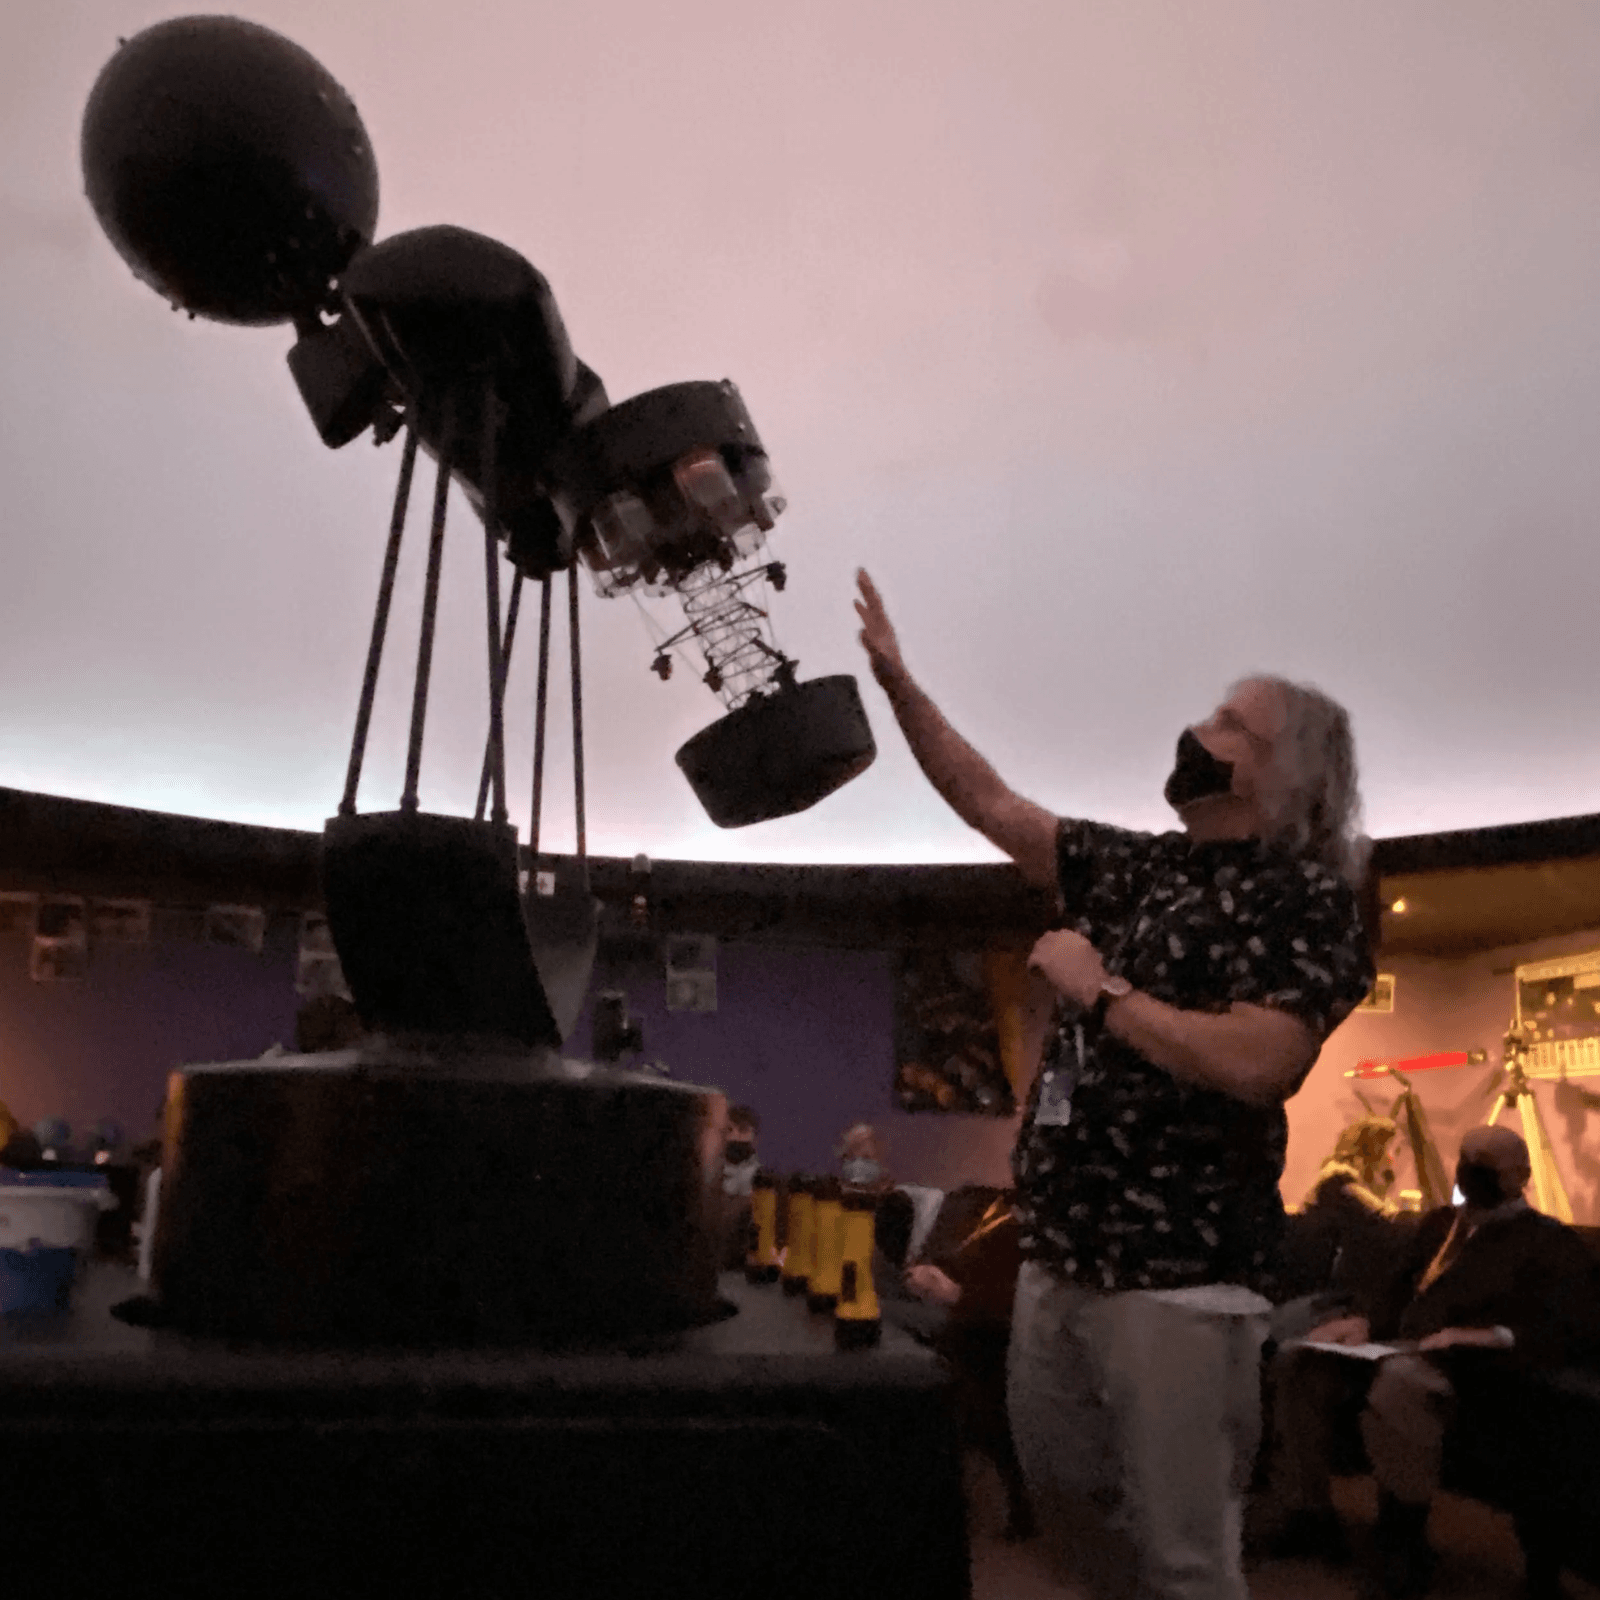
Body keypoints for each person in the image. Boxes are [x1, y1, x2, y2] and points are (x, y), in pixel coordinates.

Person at [854, 569, 1375, 1600]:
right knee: (1073, 1533)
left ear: (1283, 776)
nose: (1197, 727)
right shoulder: (1145, 867)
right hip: (1061, 1259)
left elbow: (1260, 1061)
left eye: (1229, 721)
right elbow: (990, 802)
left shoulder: (1307, 899)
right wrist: (897, 682)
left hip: (1178, 1283)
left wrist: (1100, 995)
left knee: (1185, 1561)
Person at [1259, 1124, 1600, 1599]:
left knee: (1400, 1382)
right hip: (1402, 1343)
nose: (1469, 1171)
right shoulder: (1440, 1224)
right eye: (1467, 1158)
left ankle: (1403, 1535)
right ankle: (1311, 1513)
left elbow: (1566, 1324)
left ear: (1518, 1175)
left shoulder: (1546, 1241)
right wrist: (1365, 1324)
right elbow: (1397, 1290)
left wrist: (1479, 1335)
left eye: (1485, 1163)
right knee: (1301, 1361)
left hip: (1470, 1364)